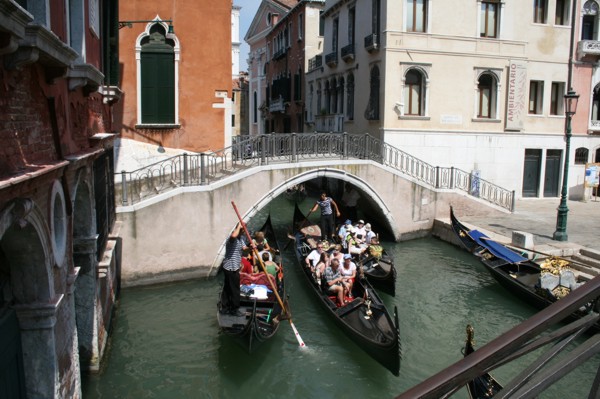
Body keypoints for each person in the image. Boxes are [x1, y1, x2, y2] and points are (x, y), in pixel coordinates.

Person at [221, 222, 249, 316]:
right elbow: (233, 236)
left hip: (235, 266)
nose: (245, 232)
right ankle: (234, 309)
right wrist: (238, 227)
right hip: (230, 267)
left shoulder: (241, 238)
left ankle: (225, 307)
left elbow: (245, 249)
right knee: (234, 289)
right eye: (243, 230)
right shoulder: (231, 237)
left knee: (228, 287)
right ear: (239, 229)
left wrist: (252, 248)